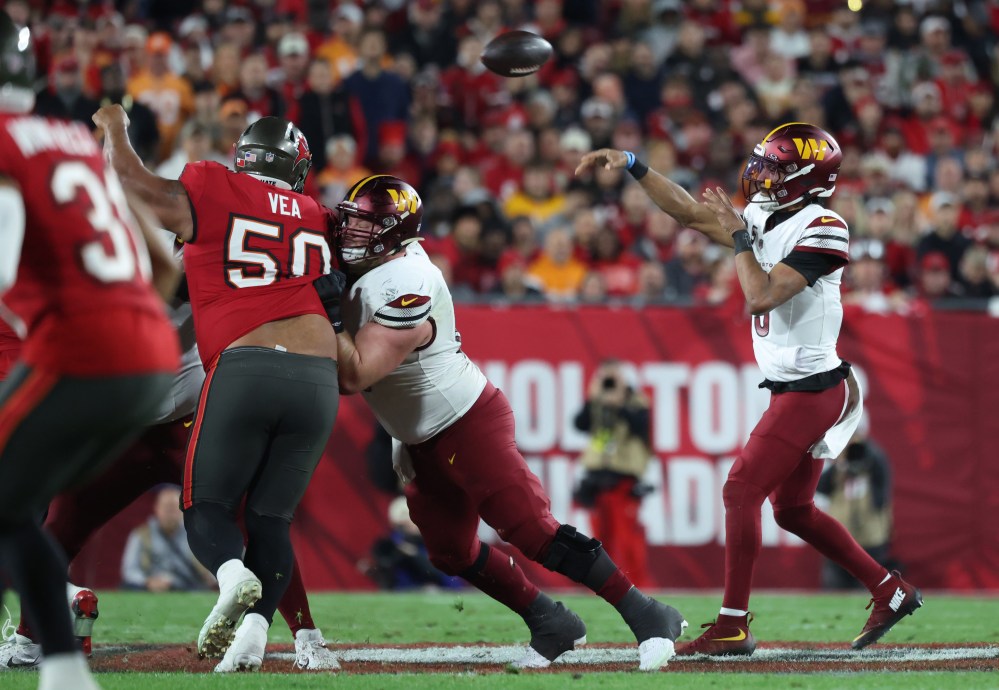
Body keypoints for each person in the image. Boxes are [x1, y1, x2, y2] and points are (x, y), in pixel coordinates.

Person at [575, 122, 923, 656]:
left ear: (807, 179)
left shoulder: (824, 226)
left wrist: (739, 237)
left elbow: (760, 296)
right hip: (792, 388)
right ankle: (889, 589)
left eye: (776, 169)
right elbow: (690, 213)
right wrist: (634, 164)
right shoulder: (765, 213)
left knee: (740, 490)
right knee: (792, 510)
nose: (762, 175)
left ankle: (732, 624)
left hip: (813, 388)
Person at [317, 174, 686, 671]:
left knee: (533, 531)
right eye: (350, 221)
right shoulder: (371, 264)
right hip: (418, 435)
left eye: (363, 224)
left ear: (391, 232)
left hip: (464, 420)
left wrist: (331, 316)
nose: (349, 232)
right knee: (449, 552)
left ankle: (648, 614)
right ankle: (550, 620)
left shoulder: (408, 282)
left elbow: (354, 375)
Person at [93, 105, 342, 672]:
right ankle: (252, 639)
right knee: (271, 519)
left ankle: (231, 577)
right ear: (296, 168)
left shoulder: (212, 185)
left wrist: (115, 127)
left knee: (206, 508)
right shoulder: (315, 214)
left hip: (246, 365)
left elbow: (132, 182)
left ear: (243, 158)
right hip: (319, 375)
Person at [0, 13, 179, 690]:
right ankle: (64, 670)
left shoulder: (6, 145)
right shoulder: (73, 138)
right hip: (148, 350)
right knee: (13, 510)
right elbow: (161, 265)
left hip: (82, 348)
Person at [573, 360, 654, 589]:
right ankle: (601, 587)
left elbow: (641, 426)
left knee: (627, 539)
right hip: (597, 479)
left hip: (623, 479)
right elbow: (580, 424)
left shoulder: (636, 401)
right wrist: (592, 399)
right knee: (599, 539)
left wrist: (620, 404)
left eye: (613, 378)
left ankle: (637, 588)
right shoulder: (597, 402)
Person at [816, 430, 894, 590]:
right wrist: (840, 465)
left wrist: (866, 454)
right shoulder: (838, 468)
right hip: (839, 538)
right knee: (835, 586)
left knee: (868, 588)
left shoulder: (874, 459)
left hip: (870, 538)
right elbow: (820, 486)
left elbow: (883, 488)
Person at [121, 486, 214, 592]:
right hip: (150, 590)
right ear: (156, 508)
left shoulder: (197, 536)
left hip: (188, 588)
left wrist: (208, 576)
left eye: (174, 507)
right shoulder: (141, 535)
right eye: (166, 508)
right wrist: (147, 582)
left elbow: (214, 569)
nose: (170, 513)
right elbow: (130, 570)